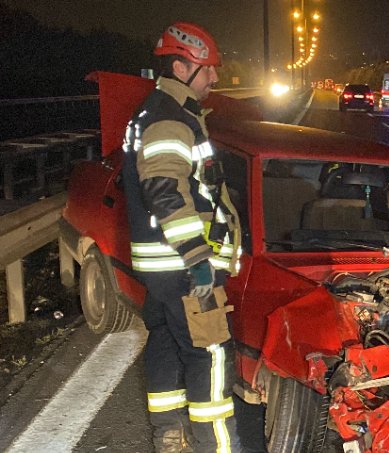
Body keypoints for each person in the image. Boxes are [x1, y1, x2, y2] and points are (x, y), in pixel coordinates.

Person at [121, 21, 244, 453]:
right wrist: (197, 258)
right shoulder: (168, 119)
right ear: (181, 66)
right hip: (183, 267)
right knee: (210, 354)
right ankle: (217, 447)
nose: (214, 77)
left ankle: (169, 435)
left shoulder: (157, 111)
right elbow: (164, 188)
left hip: (161, 268)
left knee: (166, 342)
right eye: (208, 68)